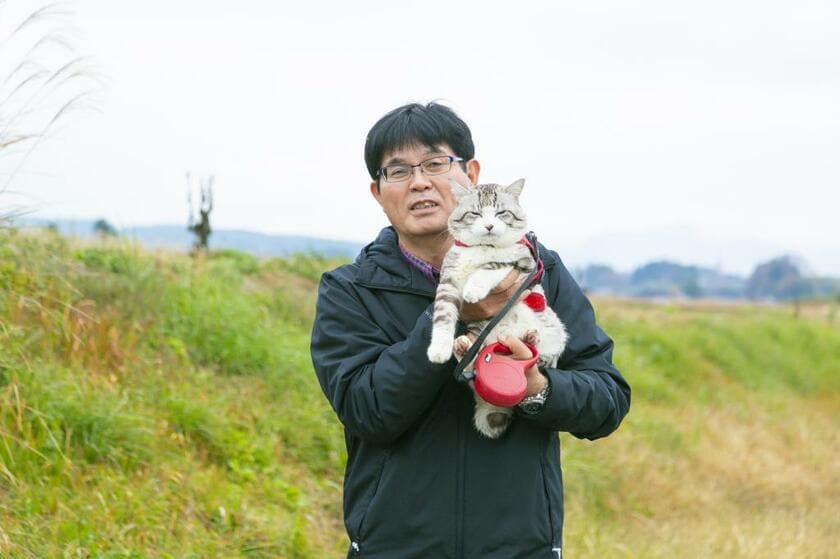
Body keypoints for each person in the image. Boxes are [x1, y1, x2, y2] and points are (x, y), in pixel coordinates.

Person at [310, 102, 631, 558]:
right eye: (397, 171)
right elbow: (368, 410)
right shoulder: (352, 290)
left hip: (519, 548)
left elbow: (607, 399)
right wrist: (458, 309)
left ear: (472, 174)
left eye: (436, 164)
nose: (419, 182)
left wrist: (537, 386)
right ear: (377, 192)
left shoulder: (539, 270)